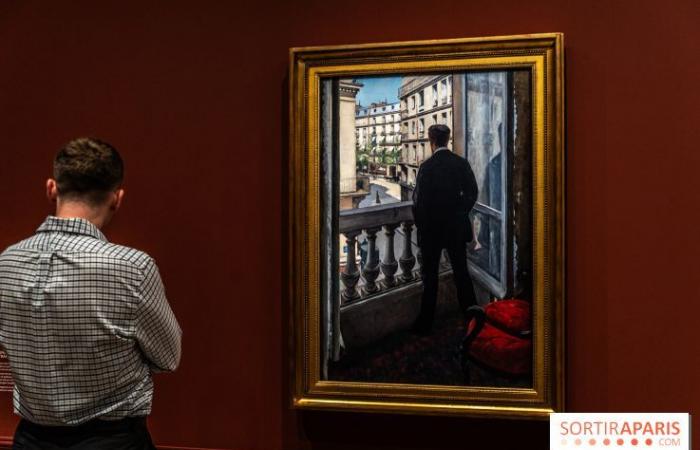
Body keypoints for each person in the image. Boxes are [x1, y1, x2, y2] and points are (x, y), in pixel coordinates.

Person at [0, 138, 182, 449]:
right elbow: (168, 358)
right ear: (117, 198)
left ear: (51, 189)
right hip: (113, 441)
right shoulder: (134, 268)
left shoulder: (5, 263)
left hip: (29, 440)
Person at [411, 124, 479, 334]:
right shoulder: (460, 163)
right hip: (455, 229)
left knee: (430, 279)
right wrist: (460, 212)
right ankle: (473, 318)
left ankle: (425, 324)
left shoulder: (427, 167)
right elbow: (472, 193)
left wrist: (424, 228)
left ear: (431, 142)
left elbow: (418, 203)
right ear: (448, 139)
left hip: (432, 232)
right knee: (462, 274)